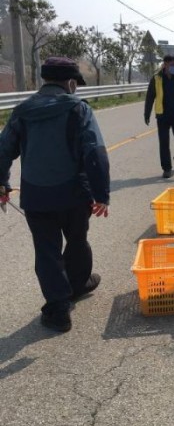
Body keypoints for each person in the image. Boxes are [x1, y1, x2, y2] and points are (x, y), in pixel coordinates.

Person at [0, 57, 110, 333]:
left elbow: (3, 150)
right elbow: (95, 152)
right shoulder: (78, 109)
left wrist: (2, 183)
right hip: (74, 193)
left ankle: (59, 309)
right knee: (77, 239)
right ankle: (77, 284)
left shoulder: (23, 110)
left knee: (46, 250)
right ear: (71, 83)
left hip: (37, 196)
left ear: (44, 81)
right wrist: (101, 195)